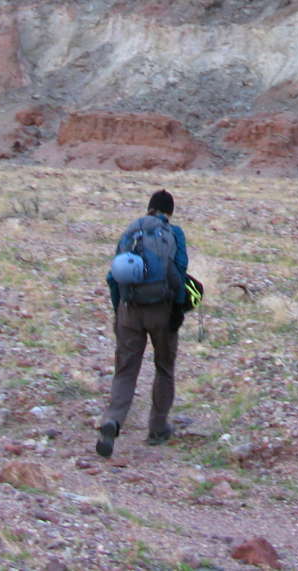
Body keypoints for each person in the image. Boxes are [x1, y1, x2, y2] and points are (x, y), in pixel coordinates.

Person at [96, 189, 189, 457]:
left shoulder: (131, 231)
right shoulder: (174, 233)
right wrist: (178, 309)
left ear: (149, 207)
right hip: (162, 310)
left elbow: (113, 276)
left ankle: (112, 420)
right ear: (169, 212)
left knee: (125, 371)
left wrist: (119, 311)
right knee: (164, 368)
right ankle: (158, 428)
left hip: (130, 310)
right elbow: (180, 271)